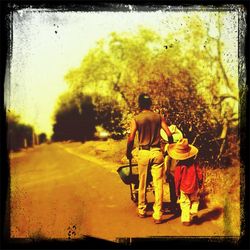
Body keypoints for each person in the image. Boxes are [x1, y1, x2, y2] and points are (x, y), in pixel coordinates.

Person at [126, 93, 173, 224]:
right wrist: (168, 147)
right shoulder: (158, 117)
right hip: (157, 152)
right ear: (150, 104)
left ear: (140, 104)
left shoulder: (136, 119)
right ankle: (158, 214)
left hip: (144, 153)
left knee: (142, 182)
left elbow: (131, 139)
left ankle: (142, 209)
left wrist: (128, 152)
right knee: (158, 184)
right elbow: (169, 134)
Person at [166, 138, 203, 226]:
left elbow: (177, 179)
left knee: (184, 203)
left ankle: (186, 219)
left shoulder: (179, 166)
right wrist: (200, 183)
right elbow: (200, 174)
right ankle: (193, 211)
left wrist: (177, 190)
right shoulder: (194, 163)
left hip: (183, 187)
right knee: (195, 200)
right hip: (194, 186)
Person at [160, 125, 183, 213]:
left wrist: (165, 173)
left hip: (173, 171)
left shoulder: (169, 147)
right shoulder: (181, 146)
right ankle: (181, 204)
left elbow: (167, 161)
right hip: (180, 170)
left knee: (172, 185)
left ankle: (174, 205)